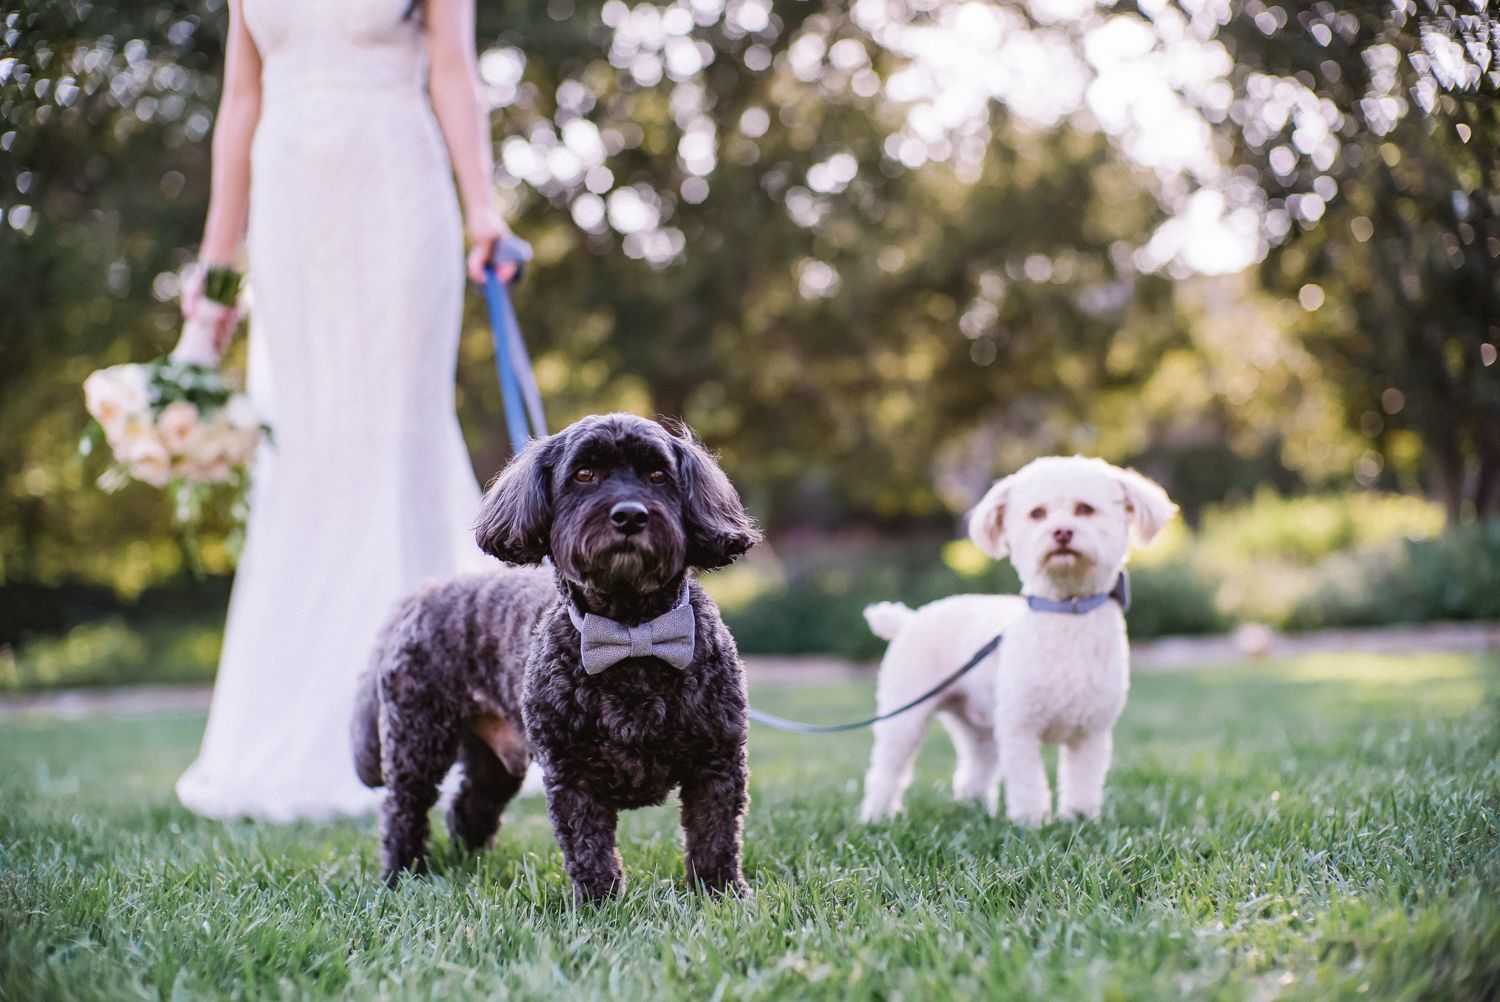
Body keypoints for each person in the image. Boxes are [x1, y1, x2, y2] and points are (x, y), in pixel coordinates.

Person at [175, 0, 516, 820]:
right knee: (303, 451)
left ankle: (437, 712)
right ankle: (297, 725)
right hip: (291, 207)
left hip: (397, 190)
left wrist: (482, 209)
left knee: (396, 443)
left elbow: (454, 73)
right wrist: (216, 275)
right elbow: (241, 102)